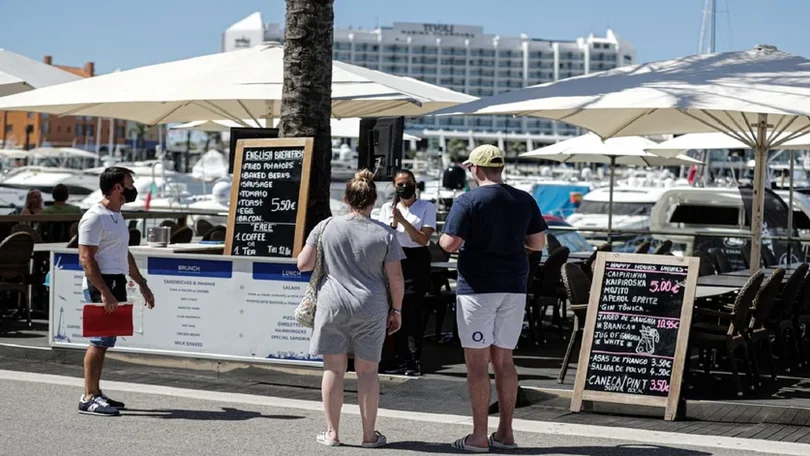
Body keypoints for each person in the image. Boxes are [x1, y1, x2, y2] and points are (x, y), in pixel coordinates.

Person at [439, 145, 547, 452]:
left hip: (478, 288)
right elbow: (538, 244)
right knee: (504, 361)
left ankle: (477, 436)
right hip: (514, 285)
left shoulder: (468, 200)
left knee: (476, 364)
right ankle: (506, 433)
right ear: (500, 168)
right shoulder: (524, 199)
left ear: (475, 168)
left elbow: (448, 244)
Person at [298, 169, 405, 448]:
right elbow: (396, 278)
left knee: (333, 369)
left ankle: (332, 433)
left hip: (332, 304)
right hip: (372, 305)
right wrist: (398, 310)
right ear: (372, 201)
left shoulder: (325, 226)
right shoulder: (385, 234)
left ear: (346, 199)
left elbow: (304, 264)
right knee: (368, 371)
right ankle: (369, 436)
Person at [77, 167, 155, 416]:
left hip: (115, 281)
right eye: (130, 183)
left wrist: (141, 283)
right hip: (101, 283)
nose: (133, 188)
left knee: (106, 341)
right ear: (118, 187)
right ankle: (89, 397)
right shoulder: (95, 217)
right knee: (98, 342)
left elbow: (124, 253)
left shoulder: (116, 215)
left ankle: (95, 392)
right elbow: (86, 259)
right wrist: (104, 291)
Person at [376, 169, 436, 376]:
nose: (404, 187)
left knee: (410, 311)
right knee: (390, 309)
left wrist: (402, 221)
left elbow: (422, 239)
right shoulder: (387, 208)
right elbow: (384, 237)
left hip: (415, 260)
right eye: (399, 184)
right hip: (394, 259)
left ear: (415, 184)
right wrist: (394, 222)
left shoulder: (426, 207)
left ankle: (411, 360)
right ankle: (393, 357)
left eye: (408, 183)